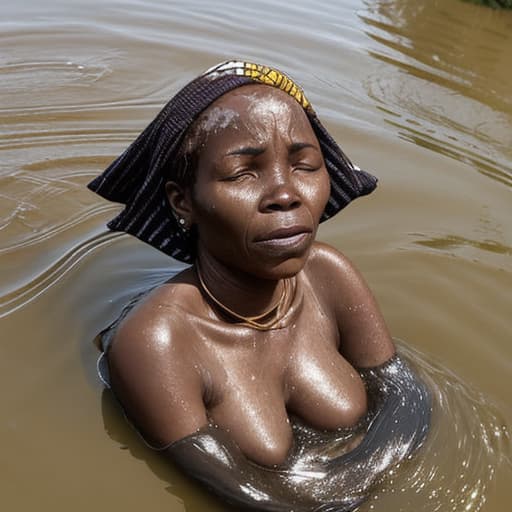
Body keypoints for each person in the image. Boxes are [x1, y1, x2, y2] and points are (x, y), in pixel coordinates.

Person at [89, 60, 431, 511]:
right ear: (182, 201)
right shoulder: (156, 342)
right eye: (244, 173)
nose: (285, 193)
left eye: (304, 165)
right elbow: (247, 494)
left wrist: (351, 485)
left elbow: (408, 404)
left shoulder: (329, 276)